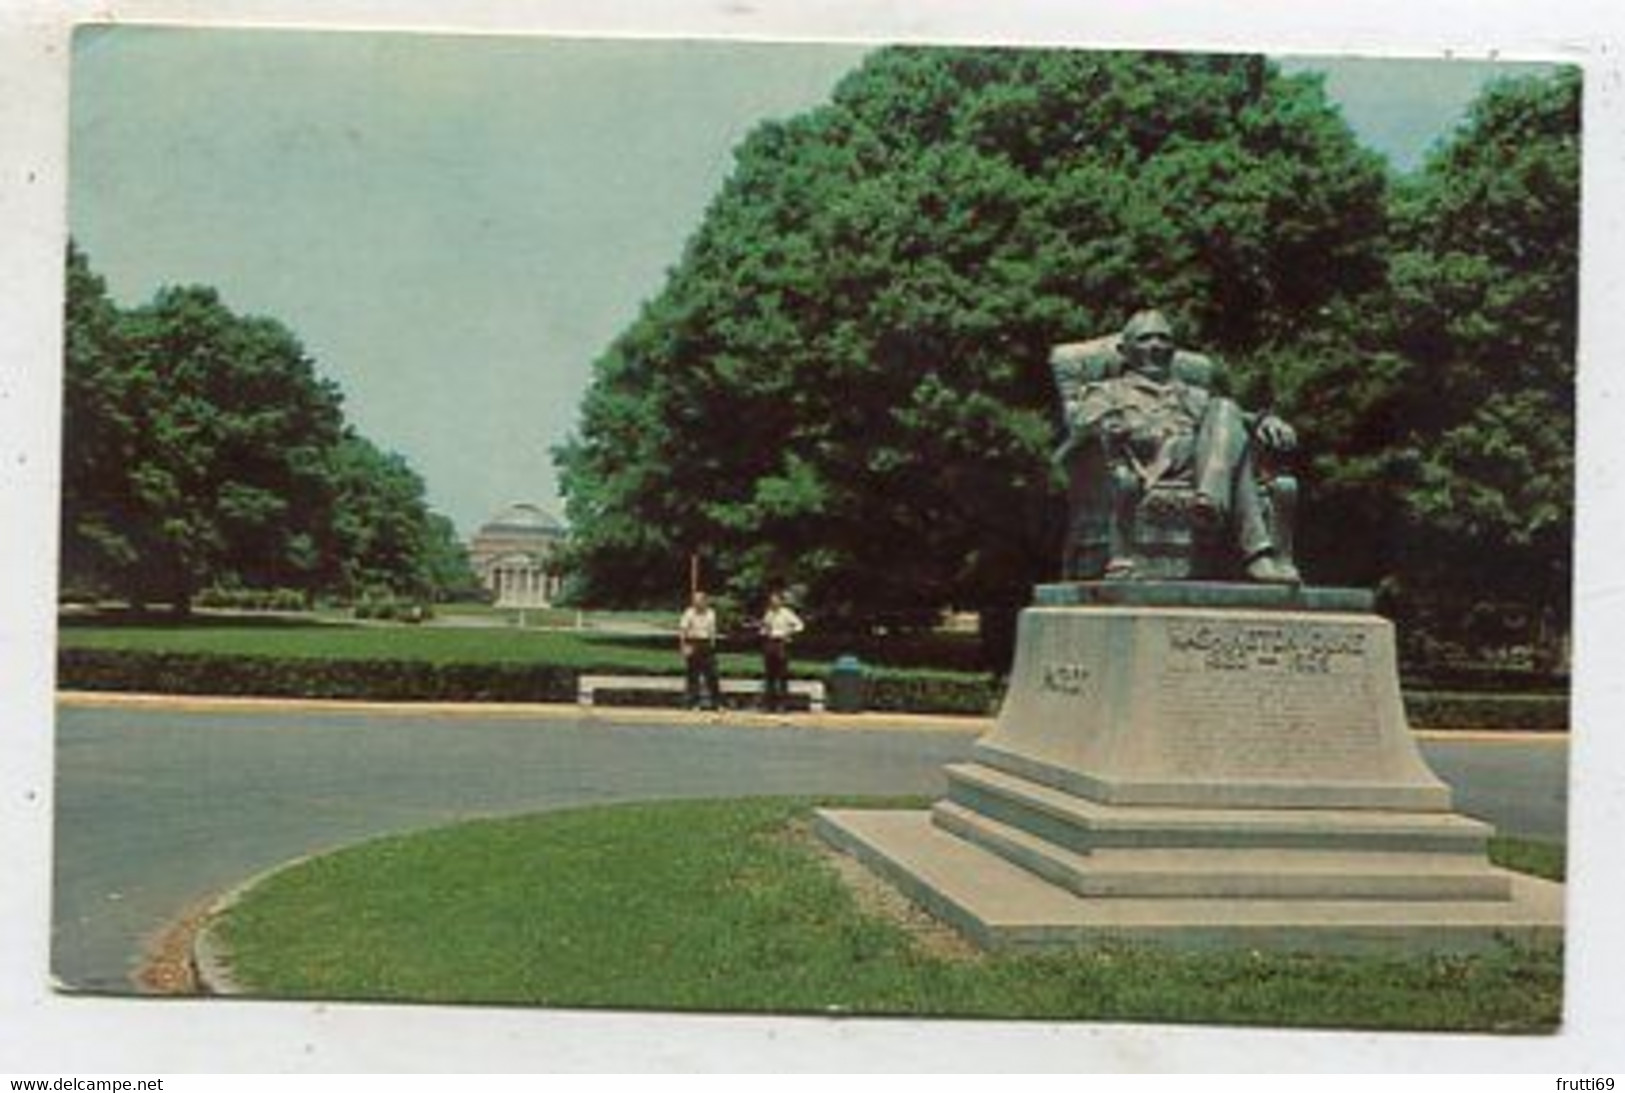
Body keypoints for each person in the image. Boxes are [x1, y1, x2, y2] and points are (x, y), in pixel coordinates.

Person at [1056, 309, 1299, 583]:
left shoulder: (1194, 395)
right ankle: (1256, 553)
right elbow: (1082, 426)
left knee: (1225, 407)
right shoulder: (1105, 392)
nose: (1156, 346)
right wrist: (1110, 426)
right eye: (1145, 339)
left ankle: (1209, 501)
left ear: (1173, 350)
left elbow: (1237, 422)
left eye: (1163, 339)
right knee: (1234, 456)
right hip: (1150, 467)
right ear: (1124, 351)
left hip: (1197, 469)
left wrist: (1268, 422)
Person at [758, 591, 805, 712]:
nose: (773, 602)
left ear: (781, 601)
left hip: (781, 643)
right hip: (770, 642)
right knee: (769, 675)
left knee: (782, 675)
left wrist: (789, 632)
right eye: (771, 600)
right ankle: (769, 704)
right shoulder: (768, 613)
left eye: (775, 600)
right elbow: (763, 629)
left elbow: (800, 625)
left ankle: (783, 704)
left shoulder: (787, 613)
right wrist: (764, 630)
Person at [678, 590, 721, 710]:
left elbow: (712, 630)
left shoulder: (711, 613)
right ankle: (693, 703)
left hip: (706, 643)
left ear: (705, 601)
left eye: (699, 600)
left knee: (712, 674)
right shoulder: (689, 612)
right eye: (694, 600)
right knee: (693, 675)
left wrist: (713, 645)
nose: (696, 603)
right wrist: (683, 646)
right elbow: (683, 630)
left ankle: (716, 703)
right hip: (693, 642)